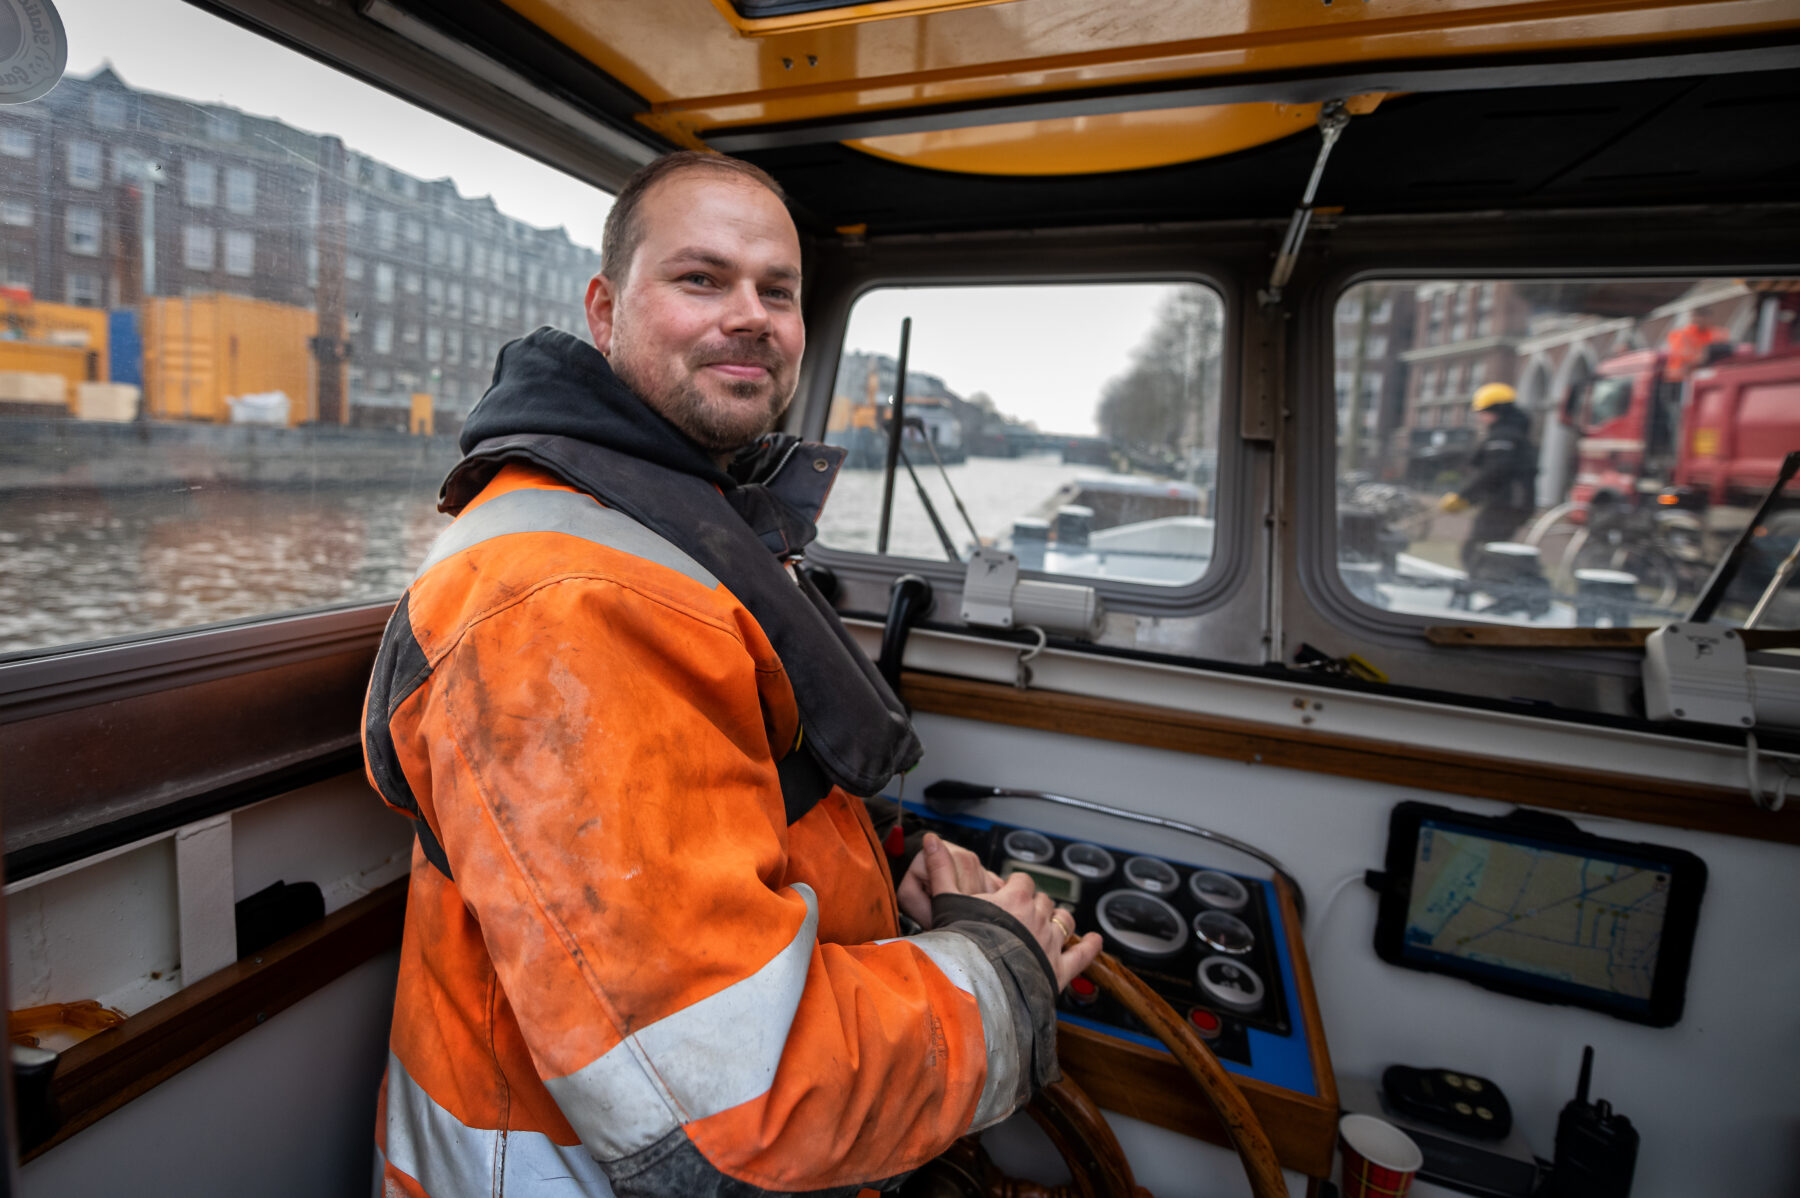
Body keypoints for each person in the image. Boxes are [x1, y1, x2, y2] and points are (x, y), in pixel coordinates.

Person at [361, 150, 1103, 1198]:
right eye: (701, 279)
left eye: (779, 291)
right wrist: (999, 961)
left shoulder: (669, 527)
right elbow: (733, 1115)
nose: (751, 315)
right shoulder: (563, 610)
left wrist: (888, 915)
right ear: (607, 306)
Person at [1439, 382, 1539, 569]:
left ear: (1496, 411)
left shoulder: (1504, 437)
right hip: (1511, 504)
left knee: (1477, 551)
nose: (1480, 418)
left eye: (1482, 412)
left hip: (1507, 505)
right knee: (1490, 549)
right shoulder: (1512, 434)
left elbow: (1494, 472)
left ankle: (1505, 588)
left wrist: (1464, 497)